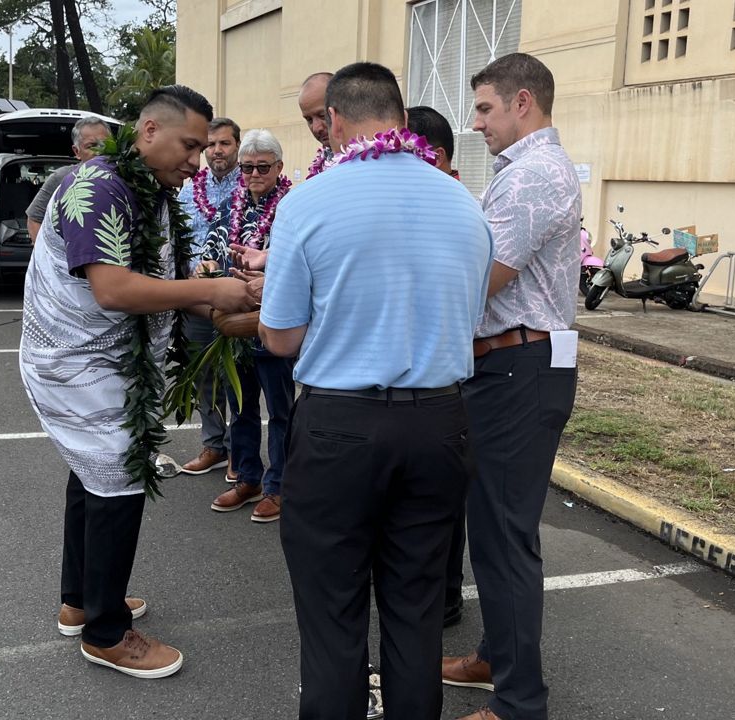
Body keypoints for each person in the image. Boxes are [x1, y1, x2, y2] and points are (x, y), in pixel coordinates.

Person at [260, 62, 492, 720]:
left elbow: (279, 337)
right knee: (416, 609)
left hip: (339, 424)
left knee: (333, 615)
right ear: (399, 115)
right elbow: (469, 320)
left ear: (334, 122)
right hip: (439, 422)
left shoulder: (307, 202)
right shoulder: (464, 203)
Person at [19, 85, 254, 680]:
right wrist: (208, 291)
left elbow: (165, 284)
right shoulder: (99, 186)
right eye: (190, 145)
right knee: (119, 478)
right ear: (149, 131)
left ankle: (82, 600)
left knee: (93, 477)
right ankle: (105, 633)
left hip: (104, 362)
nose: (197, 161)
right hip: (74, 362)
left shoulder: (148, 190)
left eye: (203, 149)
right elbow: (115, 289)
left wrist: (240, 306)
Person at [440, 53, 581, 720]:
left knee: (504, 536)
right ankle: (496, 658)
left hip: (519, 366)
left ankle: (519, 703)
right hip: (507, 364)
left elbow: (481, 277)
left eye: (487, 108)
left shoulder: (532, 177)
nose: (477, 122)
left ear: (523, 102)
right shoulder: (522, 173)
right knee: (493, 528)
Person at [207, 129, 294, 523]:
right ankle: (247, 477)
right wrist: (207, 267)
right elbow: (213, 249)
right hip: (235, 324)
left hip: (273, 321)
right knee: (241, 408)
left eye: (262, 166)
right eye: (248, 167)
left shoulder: (293, 207)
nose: (254, 174)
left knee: (280, 411)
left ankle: (279, 486)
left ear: (278, 167)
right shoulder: (231, 206)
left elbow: (298, 262)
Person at [405, 104, 470, 629]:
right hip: (431, 388)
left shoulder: (455, 208)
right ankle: (437, 598)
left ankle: (444, 597)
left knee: (441, 510)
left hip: (444, 385)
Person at [176, 117, 243, 478]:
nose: (217, 151)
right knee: (203, 374)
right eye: (211, 145)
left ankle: (238, 449)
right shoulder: (189, 189)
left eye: (224, 144)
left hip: (232, 295)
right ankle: (213, 445)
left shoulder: (249, 185)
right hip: (195, 297)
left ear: (237, 146)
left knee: (235, 377)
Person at [25, 116, 113, 242]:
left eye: (105, 144)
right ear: (77, 151)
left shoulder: (123, 177)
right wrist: (50, 254)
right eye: (91, 146)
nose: (99, 151)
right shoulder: (62, 178)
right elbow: (34, 219)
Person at [298, 72, 335, 178]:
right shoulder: (322, 163)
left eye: (322, 115)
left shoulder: (372, 157)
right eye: (309, 119)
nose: (316, 128)